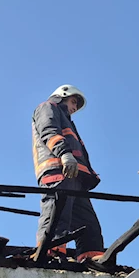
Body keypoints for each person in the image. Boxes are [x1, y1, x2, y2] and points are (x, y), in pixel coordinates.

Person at [31, 85, 105, 265]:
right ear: (62, 96)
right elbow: (49, 130)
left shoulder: (67, 119)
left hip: (74, 174)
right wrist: (64, 154)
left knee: (87, 221)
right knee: (57, 214)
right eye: (73, 102)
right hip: (57, 170)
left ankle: (91, 256)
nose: (74, 108)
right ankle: (51, 253)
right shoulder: (47, 107)